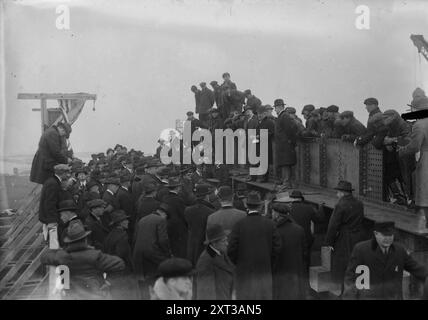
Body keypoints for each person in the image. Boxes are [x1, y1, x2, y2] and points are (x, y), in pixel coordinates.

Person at [41, 220, 125, 300]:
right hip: (96, 296)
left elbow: (44, 257)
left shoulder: (62, 257)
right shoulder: (95, 256)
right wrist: (107, 280)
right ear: (85, 240)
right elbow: (119, 264)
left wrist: (63, 250)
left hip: (72, 297)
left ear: (69, 241)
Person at [343, 221, 428, 300]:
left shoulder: (399, 250)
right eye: (384, 235)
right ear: (376, 234)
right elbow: (350, 277)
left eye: (390, 235)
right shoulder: (361, 250)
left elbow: (416, 268)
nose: (388, 238)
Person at [227, 191, 282, 300]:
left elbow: (231, 249)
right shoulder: (270, 224)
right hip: (264, 271)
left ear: (246, 205)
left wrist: (238, 264)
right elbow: (277, 248)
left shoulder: (239, 225)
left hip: (244, 272)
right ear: (261, 206)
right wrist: (269, 264)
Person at [324, 180, 365, 295]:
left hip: (344, 239)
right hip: (358, 237)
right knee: (356, 266)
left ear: (342, 193)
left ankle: (345, 294)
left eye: (338, 192)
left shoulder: (340, 205)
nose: (337, 195)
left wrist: (329, 242)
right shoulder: (359, 203)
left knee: (344, 267)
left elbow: (333, 225)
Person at [399, 90, 428, 228]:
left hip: (426, 159)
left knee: (424, 193)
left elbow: (415, 146)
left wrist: (402, 151)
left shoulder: (419, 124)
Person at [133, 202, 172, 297]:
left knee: (144, 286)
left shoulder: (142, 219)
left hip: (138, 255)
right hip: (153, 255)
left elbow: (135, 238)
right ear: (164, 214)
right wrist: (168, 254)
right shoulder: (160, 220)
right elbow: (163, 240)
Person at [271, 203, 307, 300]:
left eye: (272, 212)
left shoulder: (272, 231)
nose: (271, 214)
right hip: (296, 273)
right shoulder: (299, 229)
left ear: (277, 214)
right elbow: (305, 252)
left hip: (279, 273)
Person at [104, 210, 138, 300]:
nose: (128, 221)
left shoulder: (110, 235)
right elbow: (123, 256)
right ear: (120, 223)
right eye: (125, 220)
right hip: (123, 275)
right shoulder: (122, 237)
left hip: (111, 273)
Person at [195, 224, 235, 300]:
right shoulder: (205, 261)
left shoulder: (221, 252)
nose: (227, 243)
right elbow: (205, 292)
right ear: (214, 243)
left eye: (226, 240)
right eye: (223, 241)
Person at [39, 164, 72, 248]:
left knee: (54, 244)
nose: (68, 175)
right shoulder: (53, 184)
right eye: (67, 173)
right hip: (51, 220)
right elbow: (50, 203)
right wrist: (52, 221)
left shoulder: (52, 181)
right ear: (62, 173)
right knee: (54, 245)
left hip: (50, 219)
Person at [184, 184, 216, 266]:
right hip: (203, 246)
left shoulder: (187, 210)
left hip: (191, 245)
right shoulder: (210, 212)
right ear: (206, 196)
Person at [274, 98, 299, 189]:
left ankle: (286, 183)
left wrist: (289, 141)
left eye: (276, 108)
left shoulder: (284, 116)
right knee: (285, 164)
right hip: (284, 145)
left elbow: (290, 130)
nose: (275, 110)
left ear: (279, 107)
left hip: (285, 146)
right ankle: (286, 182)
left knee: (286, 164)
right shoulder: (283, 116)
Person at [162, 177, 188, 259]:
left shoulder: (165, 198)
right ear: (177, 188)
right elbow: (184, 214)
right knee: (180, 248)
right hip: (179, 228)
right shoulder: (178, 200)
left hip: (168, 225)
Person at [256, 105, 275, 182]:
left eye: (261, 114)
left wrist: (259, 136)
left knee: (265, 162)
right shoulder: (259, 123)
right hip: (259, 145)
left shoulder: (270, 122)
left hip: (266, 145)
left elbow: (271, 133)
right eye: (258, 114)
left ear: (265, 114)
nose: (259, 115)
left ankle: (264, 178)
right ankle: (261, 177)